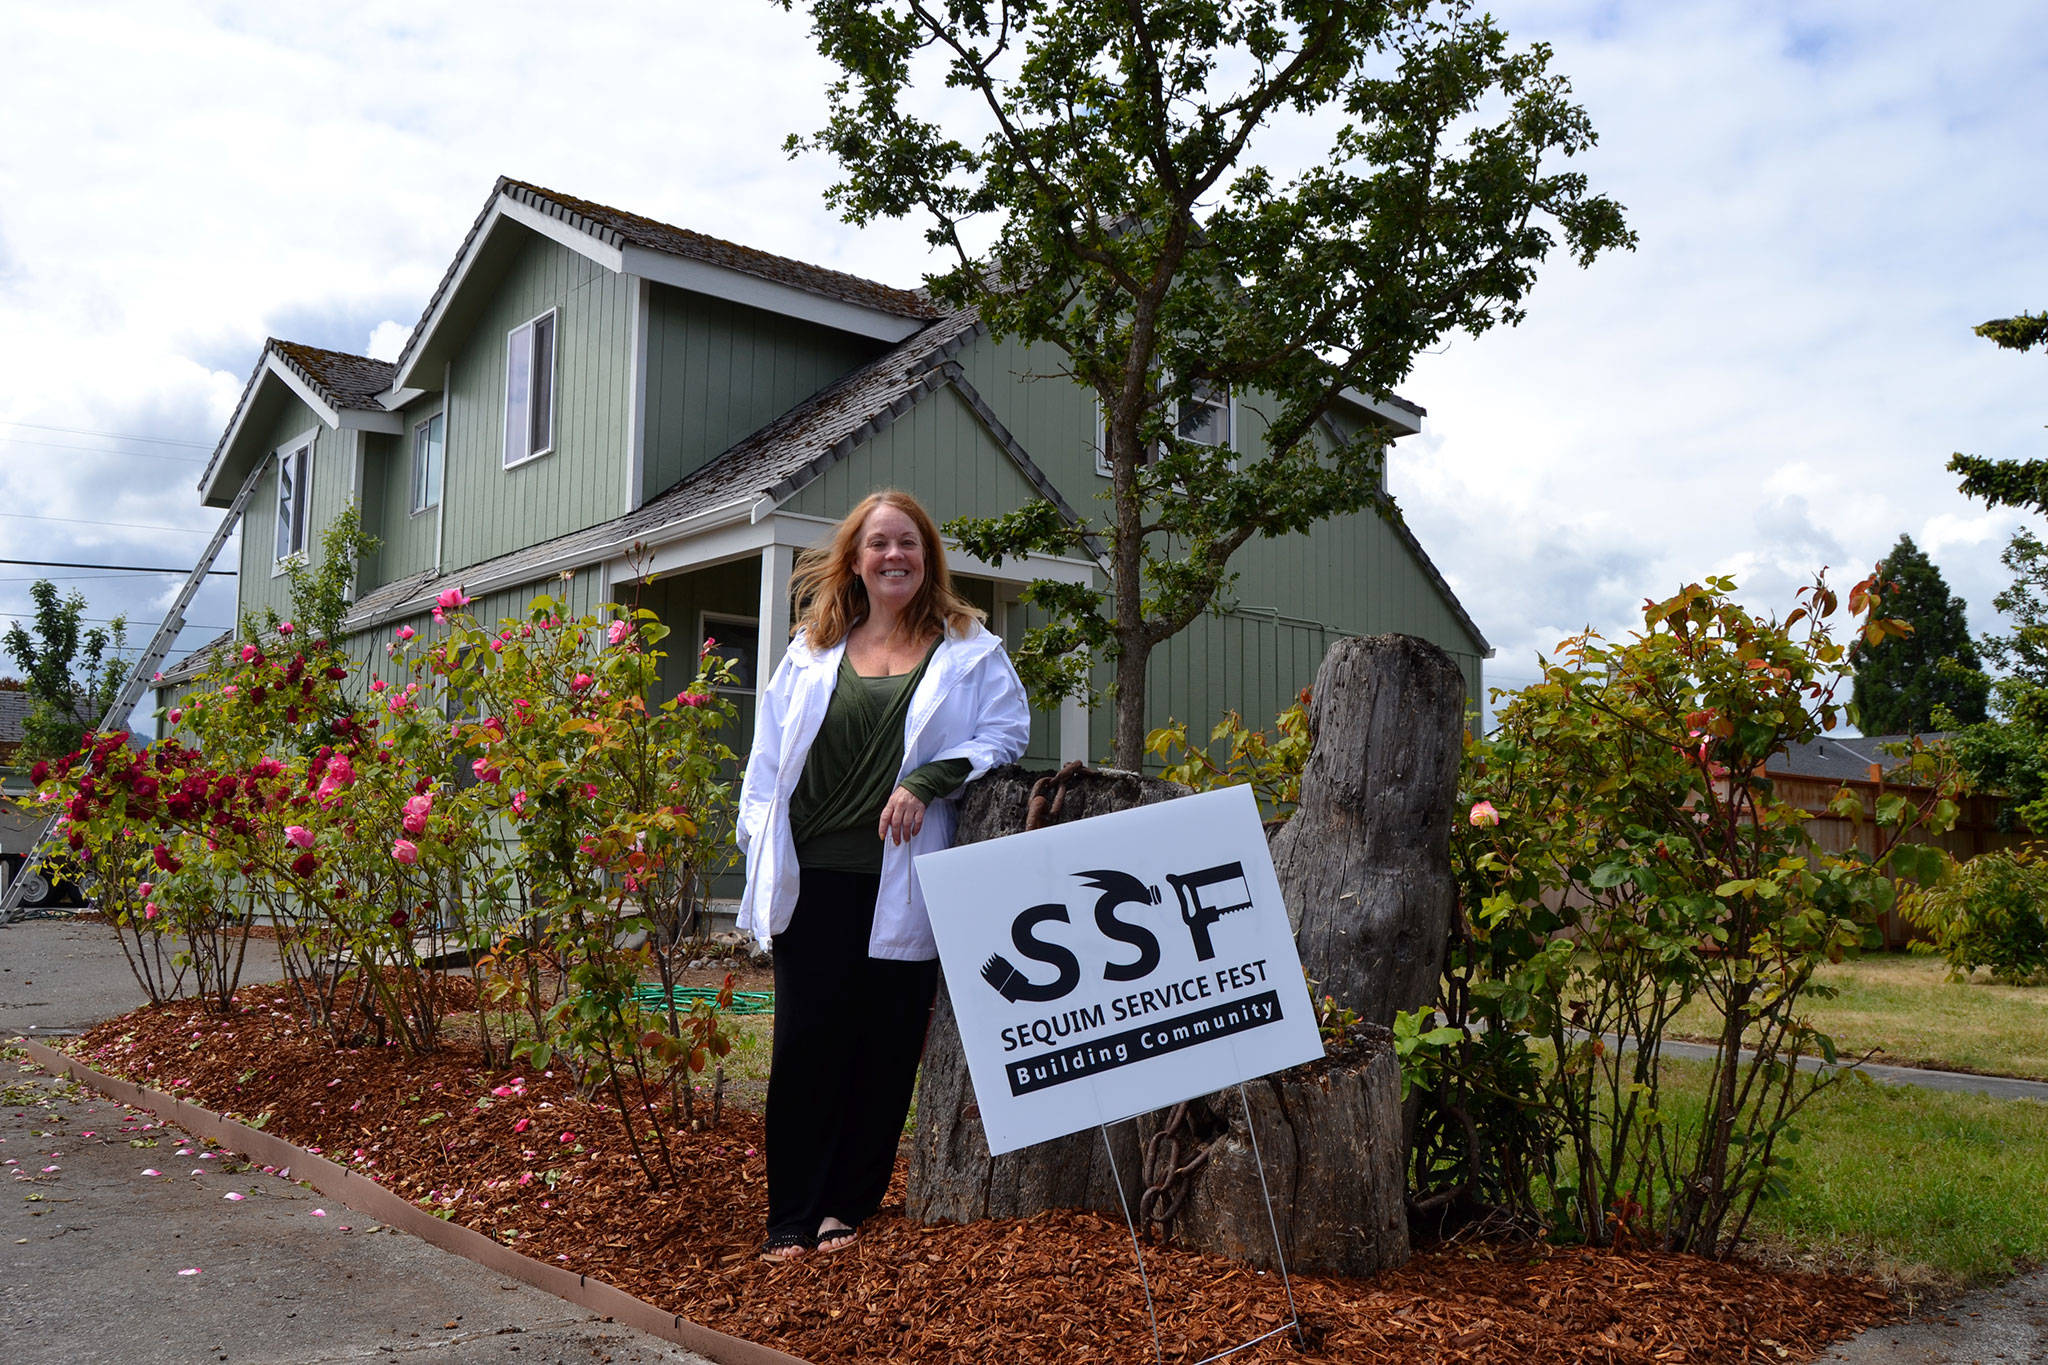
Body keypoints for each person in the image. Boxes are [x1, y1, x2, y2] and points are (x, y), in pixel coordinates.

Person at [736, 489, 1031, 1261]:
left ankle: (847, 1204)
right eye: (878, 545)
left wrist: (930, 777)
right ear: (856, 561)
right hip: (819, 873)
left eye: (907, 543)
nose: (894, 555)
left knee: (887, 1046)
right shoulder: (811, 647)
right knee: (807, 1045)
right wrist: (756, 841)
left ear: (927, 555)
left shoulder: (968, 647)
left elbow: (1007, 731)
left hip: (907, 879)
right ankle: (791, 1213)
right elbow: (766, 761)